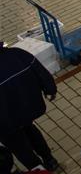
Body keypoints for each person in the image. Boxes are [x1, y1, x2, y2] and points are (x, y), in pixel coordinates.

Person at [0, 42, 58, 171]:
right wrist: (50, 89)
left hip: (5, 121)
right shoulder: (17, 54)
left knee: (18, 146)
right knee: (30, 130)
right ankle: (49, 159)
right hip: (27, 108)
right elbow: (40, 71)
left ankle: (38, 168)